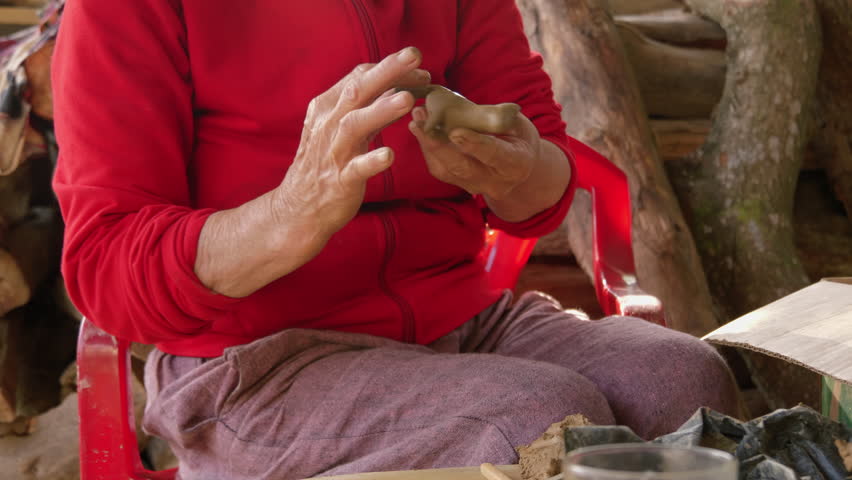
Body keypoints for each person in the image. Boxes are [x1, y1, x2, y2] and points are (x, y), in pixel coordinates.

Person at [52, 1, 740, 479]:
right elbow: (104, 265)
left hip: (464, 319)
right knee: (536, 426)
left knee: (682, 382)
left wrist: (519, 168)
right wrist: (288, 215)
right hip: (253, 367)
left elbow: (544, 177)